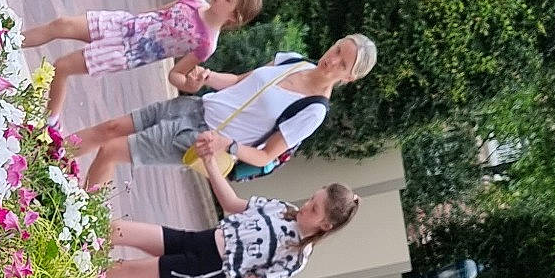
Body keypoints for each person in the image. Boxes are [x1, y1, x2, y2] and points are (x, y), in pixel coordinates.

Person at [70, 34, 377, 192]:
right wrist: (207, 77)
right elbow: (241, 81)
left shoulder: (313, 110)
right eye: (338, 50)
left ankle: (79, 224)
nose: (333, 60)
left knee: (111, 151)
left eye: (343, 63)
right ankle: (49, 153)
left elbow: (265, 156)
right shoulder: (294, 61)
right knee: (110, 128)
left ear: (349, 78)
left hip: (201, 137)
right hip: (195, 106)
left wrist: (226, 145)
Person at [103, 170, 359, 278]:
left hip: (203, 266)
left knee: (120, 270)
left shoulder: (295, 258)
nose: (306, 206)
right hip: (198, 240)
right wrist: (209, 162)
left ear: (325, 225)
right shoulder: (283, 209)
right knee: (117, 230)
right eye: (312, 199)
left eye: (314, 209)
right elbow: (232, 203)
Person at [21, 0, 262, 123]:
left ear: (234, 17)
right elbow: (157, 12)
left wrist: (190, 85)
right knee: (61, 24)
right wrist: (133, 22)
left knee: (62, 67)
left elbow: (175, 74)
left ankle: (50, 123)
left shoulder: (206, 43)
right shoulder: (193, 0)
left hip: (126, 52)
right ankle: (8, 37)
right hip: (122, 25)